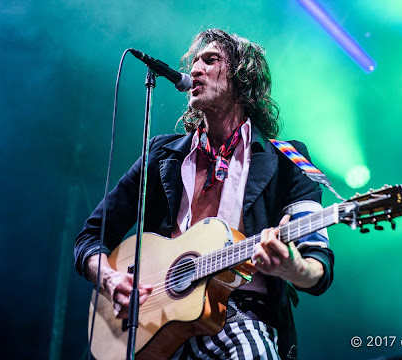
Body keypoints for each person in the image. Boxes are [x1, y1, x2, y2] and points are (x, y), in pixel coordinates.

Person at [74, 28, 334, 359]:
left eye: (210, 60)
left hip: (240, 316)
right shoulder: (163, 155)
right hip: (154, 325)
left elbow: (318, 267)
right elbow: (90, 236)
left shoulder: (288, 160)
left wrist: (291, 267)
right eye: (195, 61)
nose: (196, 69)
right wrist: (110, 280)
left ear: (243, 78)